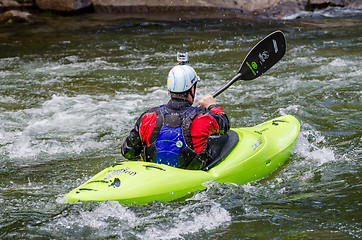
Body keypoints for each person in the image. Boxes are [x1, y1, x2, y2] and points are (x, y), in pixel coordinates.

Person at [121, 56, 230, 170]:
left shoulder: (148, 117)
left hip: (153, 178)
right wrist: (212, 105)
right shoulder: (203, 117)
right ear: (192, 89)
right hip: (189, 177)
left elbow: (127, 152)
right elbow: (225, 125)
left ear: (169, 90)